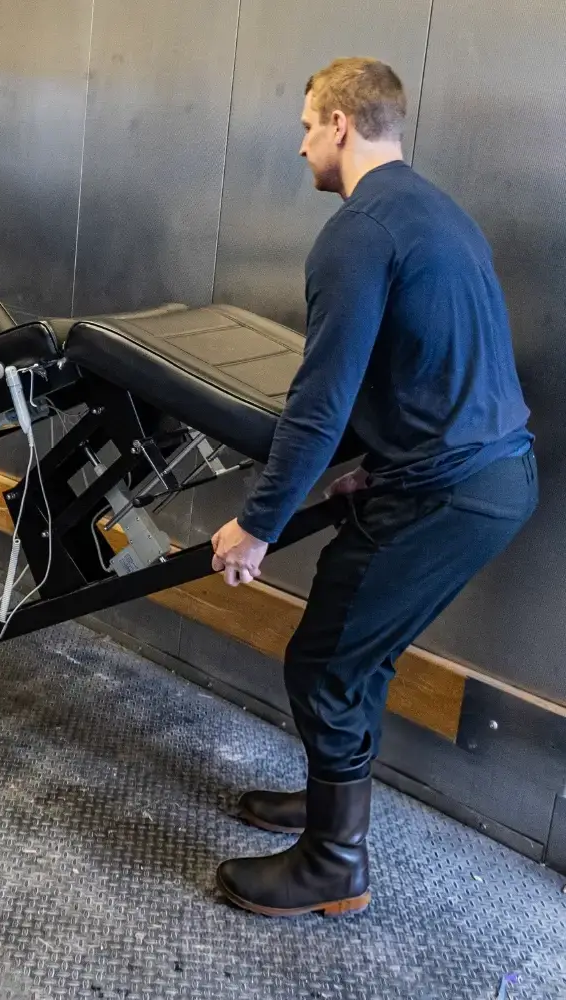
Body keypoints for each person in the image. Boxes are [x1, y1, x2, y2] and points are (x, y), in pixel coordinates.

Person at [209, 58, 537, 918]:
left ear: (341, 125)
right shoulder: (436, 211)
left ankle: (333, 864)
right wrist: (368, 464)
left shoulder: (357, 233)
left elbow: (320, 403)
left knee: (326, 658)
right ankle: (328, 813)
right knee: (361, 653)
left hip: (450, 492)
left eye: (308, 124)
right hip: (493, 478)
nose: (301, 144)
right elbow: (412, 371)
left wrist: (256, 524)